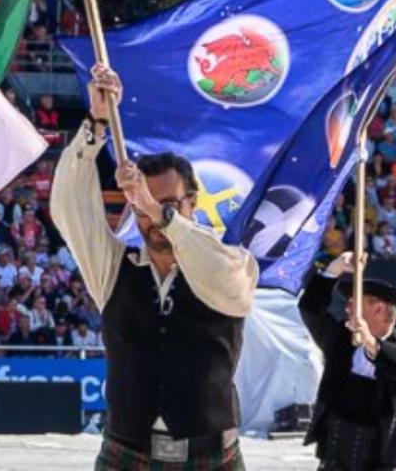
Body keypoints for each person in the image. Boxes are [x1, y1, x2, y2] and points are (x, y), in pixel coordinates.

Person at [50, 65, 258, 471]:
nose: (150, 217)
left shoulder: (227, 263)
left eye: (168, 204)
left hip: (209, 453)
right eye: (142, 207)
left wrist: (155, 210)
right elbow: (68, 206)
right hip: (128, 450)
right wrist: (97, 122)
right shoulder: (114, 268)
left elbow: (228, 281)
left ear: (192, 204)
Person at [299, 250, 396, 470]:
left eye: (354, 303)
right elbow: (310, 308)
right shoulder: (341, 341)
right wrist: (333, 269)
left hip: (378, 459)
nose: (346, 308)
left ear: (378, 308)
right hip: (335, 455)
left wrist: (369, 341)